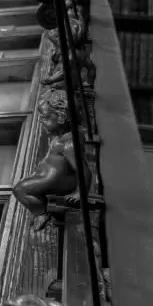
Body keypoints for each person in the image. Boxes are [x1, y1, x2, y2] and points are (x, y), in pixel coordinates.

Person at [12, 90, 90, 231]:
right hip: (53, 176)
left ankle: (41, 213)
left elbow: (83, 171)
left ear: (61, 118)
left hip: (60, 182)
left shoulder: (69, 145)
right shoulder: (60, 135)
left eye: (46, 117)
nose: (41, 121)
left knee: (20, 189)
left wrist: (80, 193)